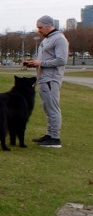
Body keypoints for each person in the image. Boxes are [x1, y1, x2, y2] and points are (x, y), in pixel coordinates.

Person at [23, 15, 69, 148]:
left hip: (51, 79)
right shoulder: (48, 39)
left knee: (53, 108)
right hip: (44, 78)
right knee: (47, 108)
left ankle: (55, 138)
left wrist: (41, 63)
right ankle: (49, 135)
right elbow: (45, 59)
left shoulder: (59, 39)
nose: (38, 30)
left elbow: (61, 60)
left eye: (40, 27)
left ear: (48, 26)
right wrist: (35, 64)